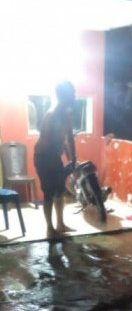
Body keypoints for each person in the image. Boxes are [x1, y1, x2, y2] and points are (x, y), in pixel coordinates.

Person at [34, 80, 77, 239]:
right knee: (49, 192)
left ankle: (60, 224)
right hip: (43, 158)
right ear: (63, 96)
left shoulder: (67, 114)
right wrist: (59, 163)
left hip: (54, 157)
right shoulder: (51, 115)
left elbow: (69, 138)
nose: (74, 96)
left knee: (60, 191)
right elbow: (47, 142)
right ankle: (50, 228)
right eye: (72, 94)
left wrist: (73, 159)